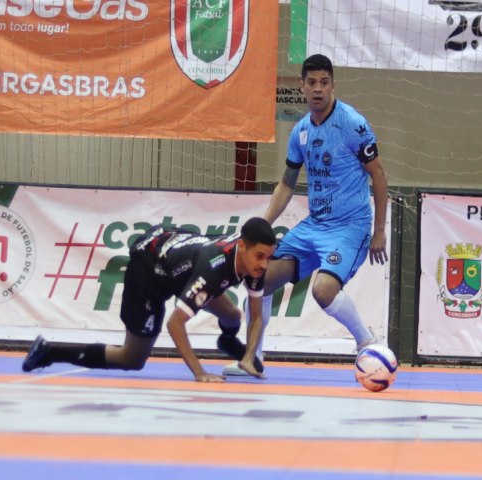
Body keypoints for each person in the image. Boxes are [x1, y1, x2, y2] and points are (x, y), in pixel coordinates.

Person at [224, 54, 389, 376]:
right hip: (314, 226)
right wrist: (260, 228)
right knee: (258, 278)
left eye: (324, 83)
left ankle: (367, 342)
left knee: (322, 291)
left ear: (332, 86)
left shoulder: (352, 123)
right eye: (311, 83)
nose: (318, 89)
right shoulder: (300, 131)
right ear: (302, 87)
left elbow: (379, 176)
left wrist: (379, 231)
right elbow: (286, 185)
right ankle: (253, 359)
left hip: (350, 227)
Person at [22, 217, 277, 383]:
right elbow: (175, 324)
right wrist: (199, 373)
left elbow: (256, 316)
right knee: (132, 359)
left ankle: (227, 340)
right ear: (242, 246)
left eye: (268, 257)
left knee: (233, 316)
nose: (264, 265)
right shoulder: (212, 270)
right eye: (259, 256)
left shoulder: (252, 261)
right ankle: (48, 352)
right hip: (150, 270)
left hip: (179, 262)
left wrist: (248, 355)